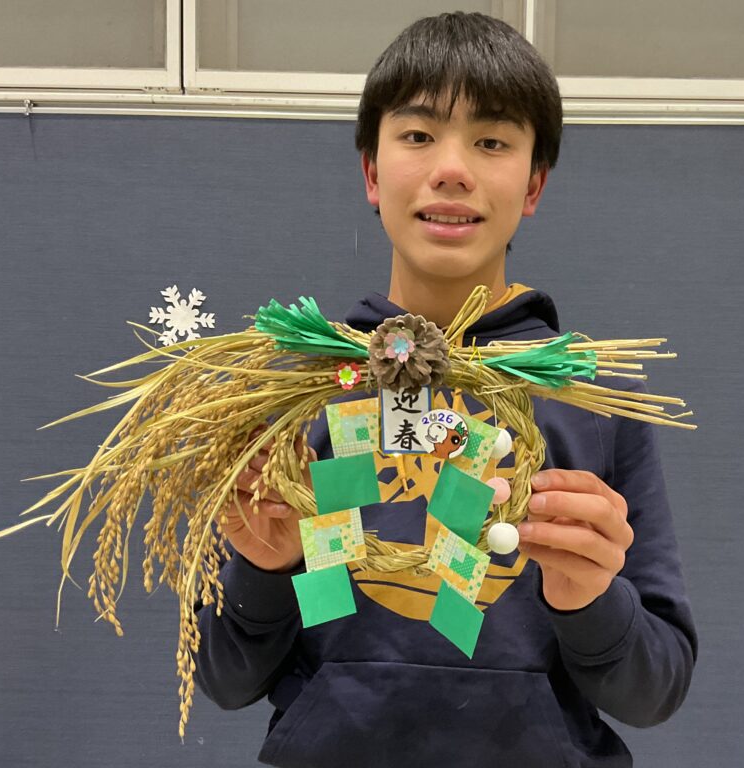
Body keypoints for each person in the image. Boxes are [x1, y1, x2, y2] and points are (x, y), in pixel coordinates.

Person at [193, 12, 696, 767]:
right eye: (419, 134)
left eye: (491, 141)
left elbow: (654, 692)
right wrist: (267, 569)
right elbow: (224, 676)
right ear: (372, 172)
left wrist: (590, 600)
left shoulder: (591, 396)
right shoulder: (298, 391)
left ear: (533, 183)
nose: (452, 168)